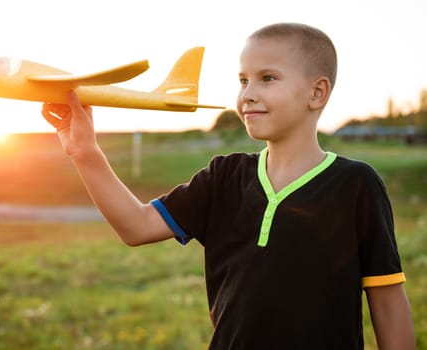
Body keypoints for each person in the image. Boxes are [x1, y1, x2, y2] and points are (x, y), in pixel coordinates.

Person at [42, 23, 416, 349]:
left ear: (317, 93)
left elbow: (387, 300)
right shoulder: (224, 177)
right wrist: (84, 152)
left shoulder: (356, 185)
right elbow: (135, 227)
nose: (247, 93)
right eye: (243, 80)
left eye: (267, 78)